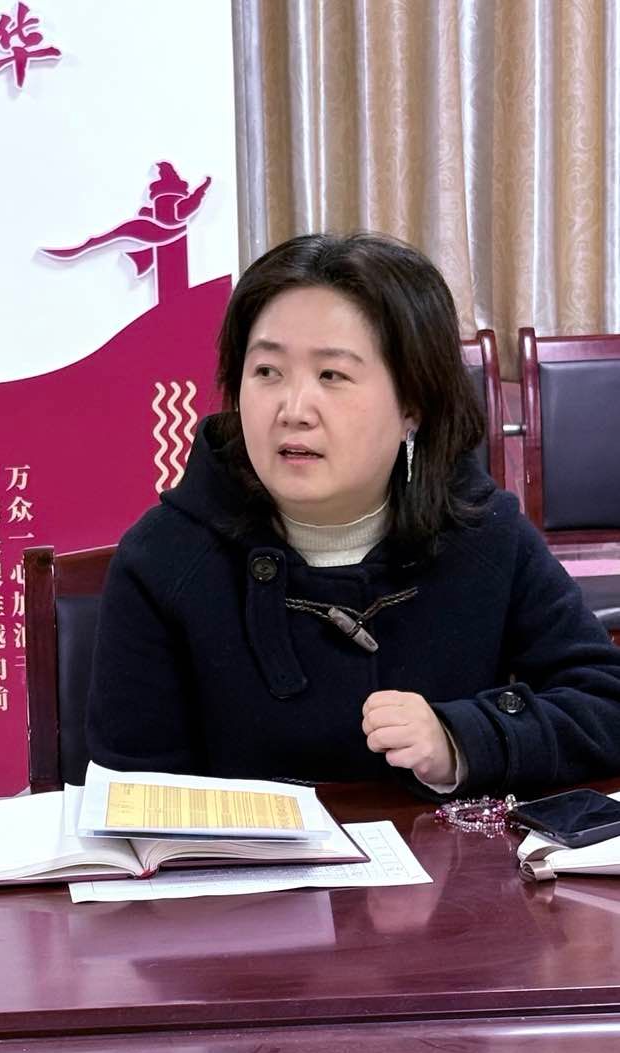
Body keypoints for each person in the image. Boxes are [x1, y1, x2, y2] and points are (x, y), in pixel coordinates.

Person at [86, 231, 620, 794]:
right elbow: (134, 797)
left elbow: (605, 703)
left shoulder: (482, 531)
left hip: (441, 854)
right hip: (245, 855)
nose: (293, 410)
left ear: (413, 404)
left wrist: (463, 738)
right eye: (267, 371)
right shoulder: (164, 558)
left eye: (331, 375)